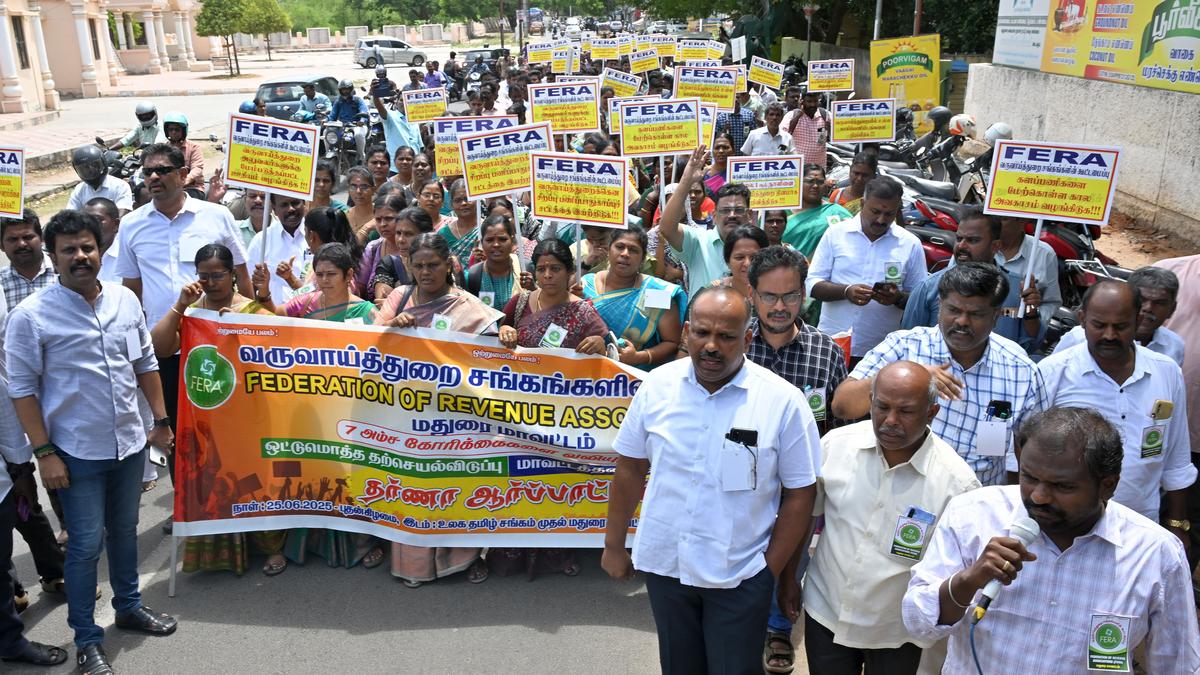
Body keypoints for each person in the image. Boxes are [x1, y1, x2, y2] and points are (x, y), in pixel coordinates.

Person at [602, 285, 820, 675]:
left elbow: (800, 493)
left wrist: (769, 571)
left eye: (726, 336)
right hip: (666, 566)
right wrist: (614, 545)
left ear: (748, 338)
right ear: (686, 331)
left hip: (740, 573)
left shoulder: (782, 402)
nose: (711, 346)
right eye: (702, 333)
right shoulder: (657, 386)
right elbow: (630, 467)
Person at [903, 407, 1200, 673]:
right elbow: (918, 625)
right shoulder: (972, 515)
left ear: (1107, 486)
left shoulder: (1155, 554)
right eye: (1029, 477)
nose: (1039, 496)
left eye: (1062, 486)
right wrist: (968, 580)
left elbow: (1178, 664)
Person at [7, 210, 177, 674]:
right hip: (75, 454)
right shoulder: (31, 316)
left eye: (87, 247)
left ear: (100, 250)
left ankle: (128, 606)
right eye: (69, 250)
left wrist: (160, 422)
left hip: (128, 444)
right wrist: (44, 454)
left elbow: (145, 364)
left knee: (124, 531)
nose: (80, 257)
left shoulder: (124, 300)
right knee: (83, 546)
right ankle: (87, 639)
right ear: (53, 256)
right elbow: (21, 388)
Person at [777, 362, 980, 675]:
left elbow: (955, 567)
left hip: (897, 633)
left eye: (906, 411)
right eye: (881, 407)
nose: (890, 421)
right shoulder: (836, 446)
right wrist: (790, 577)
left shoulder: (957, 484)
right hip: (826, 613)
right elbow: (805, 517)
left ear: (932, 413)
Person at [833, 263, 1046, 486]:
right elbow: (842, 405)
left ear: (995, 316)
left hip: (976, 503)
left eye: (975, 314)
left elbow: (1032, 452)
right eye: (953, 310)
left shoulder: (1020, 371)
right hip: (898, 495)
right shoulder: (904, 347)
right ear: (940, 306)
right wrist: (911, 376)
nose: (962, 321)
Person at [149, 244, 286, 576]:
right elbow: (160, 347)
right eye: (203, 276)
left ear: (232, 276)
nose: (210, 283)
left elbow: (280, 355)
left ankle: (271, 548)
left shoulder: (252, 311)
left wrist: (241, 331)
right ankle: (220, 552)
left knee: (254, 482)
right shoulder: (193, 313)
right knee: (216, 484)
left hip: (249, 416)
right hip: (207, 417)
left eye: (217, 275)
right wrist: (180, 306)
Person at [375, 234, 502, 586]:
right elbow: (365, 345)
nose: (426, 272)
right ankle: (416, 567)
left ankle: (466, 558)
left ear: (449, 265)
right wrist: (391, 329)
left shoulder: (470, 308)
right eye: (419, 265)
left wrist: (505, 334)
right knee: (414, 488)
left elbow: (492, 358)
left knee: (456, 486)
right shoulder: (400, 298)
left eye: (433, 265)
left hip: (455, 417)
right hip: (407, 414)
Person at [1026, 280, 1194, 531]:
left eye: (1121, 326)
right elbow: (1022, 453)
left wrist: (1178, 524)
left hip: (1141, 526)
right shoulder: (1053, 372)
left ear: (1138, 321)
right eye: (1099, 325)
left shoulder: (1166, 371)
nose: (1110, 335)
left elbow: (1177, 459)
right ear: (1082, 319)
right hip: (1063, 527)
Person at [807, 177, 926, 361]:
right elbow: (812, 285)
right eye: (875, 211)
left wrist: (897, 298)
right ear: (863, 203)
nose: (881, 219)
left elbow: (920, 299)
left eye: (889, 214)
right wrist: (846, 292)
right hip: (832, 345)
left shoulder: (910, 244)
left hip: (882, 351)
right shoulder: (835, 234)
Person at [902, 209, 1046, 352]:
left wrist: (1031, 311)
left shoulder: (1017, 289)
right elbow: (908, 343)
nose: (962, 246)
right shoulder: (929, 288)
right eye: (959, 238)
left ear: (995, 246)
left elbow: (1031, 344)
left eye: (972, 240)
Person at [582, 225, 685, 370]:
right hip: (584, 375)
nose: (625, 254)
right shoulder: (586, 285)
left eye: (633, 250)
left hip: (633, 378)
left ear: (643, 258)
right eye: (619, 247)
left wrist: (638, 356)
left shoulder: (654, 292)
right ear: (609, 250)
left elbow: (672, 342)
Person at [659, 146, 756, 297]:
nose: (732, 215)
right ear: (714, 215)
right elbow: (666, 228)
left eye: (738, 210)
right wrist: (686, 181)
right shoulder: (698, 241)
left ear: (749, 214)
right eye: (725, 210)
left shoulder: (760, 248)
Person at [1052, 266, 1184, 366]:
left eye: (1159, 303)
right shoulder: (1079, 338)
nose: (1148, 308)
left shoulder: (1174, 347)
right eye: (1143, 300)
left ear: (1172, 309)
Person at [499, 238, 608, 353]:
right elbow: (492, 336)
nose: (547, 275)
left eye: (555, 269)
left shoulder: (583, 311)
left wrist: (600, 344)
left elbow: (609, 353)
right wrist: (504, 329)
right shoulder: (520, 302)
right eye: (541, 269)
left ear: (570, 271)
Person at [995, 216, 1062, 324]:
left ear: (1022, 221)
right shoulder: (978, 248)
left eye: (1002, 219)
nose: (994, 223)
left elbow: (1051, 304)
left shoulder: (1044, 254)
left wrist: (1030, 313)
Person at [247, 195, 310, 305]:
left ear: (304, 204)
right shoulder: (261, 241)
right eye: (284, 205)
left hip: (310, 316)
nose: (291, 209)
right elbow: (250, 285)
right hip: (273, 317)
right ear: (274, 209)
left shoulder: (317, 236)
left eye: (295, 203)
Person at [782, 164, 851, 260]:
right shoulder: (780, 212)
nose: (815, 186)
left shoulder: (835, 211)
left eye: (820, 182)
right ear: (799, 183)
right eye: (810, 181)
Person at [462, 215, 529, 310]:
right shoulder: (472, 276)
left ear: (512, 241)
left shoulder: (525, 270)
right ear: (482, 243)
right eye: (489, 240)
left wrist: (533, 289)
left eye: (502, 239)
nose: (496, 244)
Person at [373, 206, 434, 300]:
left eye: (408, 234)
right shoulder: (390, 264)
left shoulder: (444, 264)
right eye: (398, 233)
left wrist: (398, 303)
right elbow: (383, 303)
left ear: (426, 235)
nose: (400, 240)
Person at [0, 210, 57, 308]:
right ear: (1, 246)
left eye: (28, 237)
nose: (22, 244)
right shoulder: (1, 283)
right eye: (13, 239)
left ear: (42, 239)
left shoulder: (64, 271)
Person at [357, 194, 405, 302]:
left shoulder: (415, 248)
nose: (383, 224)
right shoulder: (373, 248)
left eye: (389, 219)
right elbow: (360, 287)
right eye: (378, 219)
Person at [712, 225, 770, 303]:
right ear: (728, 261)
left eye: (754, 257)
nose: (747, 263)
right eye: (740, 257)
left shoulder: (777, 292)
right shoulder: (712, 295)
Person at [67, 145, 133, 214]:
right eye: (84, 168)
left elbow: (122, 214)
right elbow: (70, 215)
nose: (90, 171)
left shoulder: (120, 186)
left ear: (103, 163)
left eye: (94, 165)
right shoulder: (79, 190)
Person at [371, 78, 423, 163]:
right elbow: (380, 107)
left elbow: (418, 145)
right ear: (396, 101)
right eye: (402, 100)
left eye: (407, 101)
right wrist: (375, 94)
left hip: (413, 166)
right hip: (396, 168)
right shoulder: (391, 116)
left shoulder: (414, 120)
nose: (404, 103)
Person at [437, 179, 480, 269]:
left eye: (467, 199)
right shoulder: (443, 234)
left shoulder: (487, 229)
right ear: (451, 205)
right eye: (458, 200)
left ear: (477, 200)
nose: (463, 203)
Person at [783, 90, 829, 170]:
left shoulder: (825, 115)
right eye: (809, 101)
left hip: (819, 168)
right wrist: (797, 117)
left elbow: (822, 141)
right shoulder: (791, 115)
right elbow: (783, 136)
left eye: (815, 101)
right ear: (802, 102)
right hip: (797, 167)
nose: (813, 104)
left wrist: (829, 128)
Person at [161, 112, 205, 197]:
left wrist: (185, 180)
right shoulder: (164, 148)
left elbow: (197, 168)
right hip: (169, 187)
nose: (173, 132)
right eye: (170, 129)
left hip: (192, 187)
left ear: (183, 131)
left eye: (177, 130)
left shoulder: (194, 148)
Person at [332, 79, 370, 160]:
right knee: (327, 132)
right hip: (343, 126)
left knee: (358, 134)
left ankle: (361, 156)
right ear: (340, 90)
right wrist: (326, 120)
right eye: (343, 89)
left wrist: (362, 121)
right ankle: (330, 151)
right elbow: (332, 115)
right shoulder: (338, 101)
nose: (345, 91)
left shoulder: (357, 100)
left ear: (351, 89)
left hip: (357, 125)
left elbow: (364, 111)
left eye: (347, 89)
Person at [345, 167, 378, 239]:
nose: (358, 191)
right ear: (348, 190)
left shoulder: (381, 216)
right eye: (353, 187)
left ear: (373, 190)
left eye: (364, 187)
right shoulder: (344, 216)